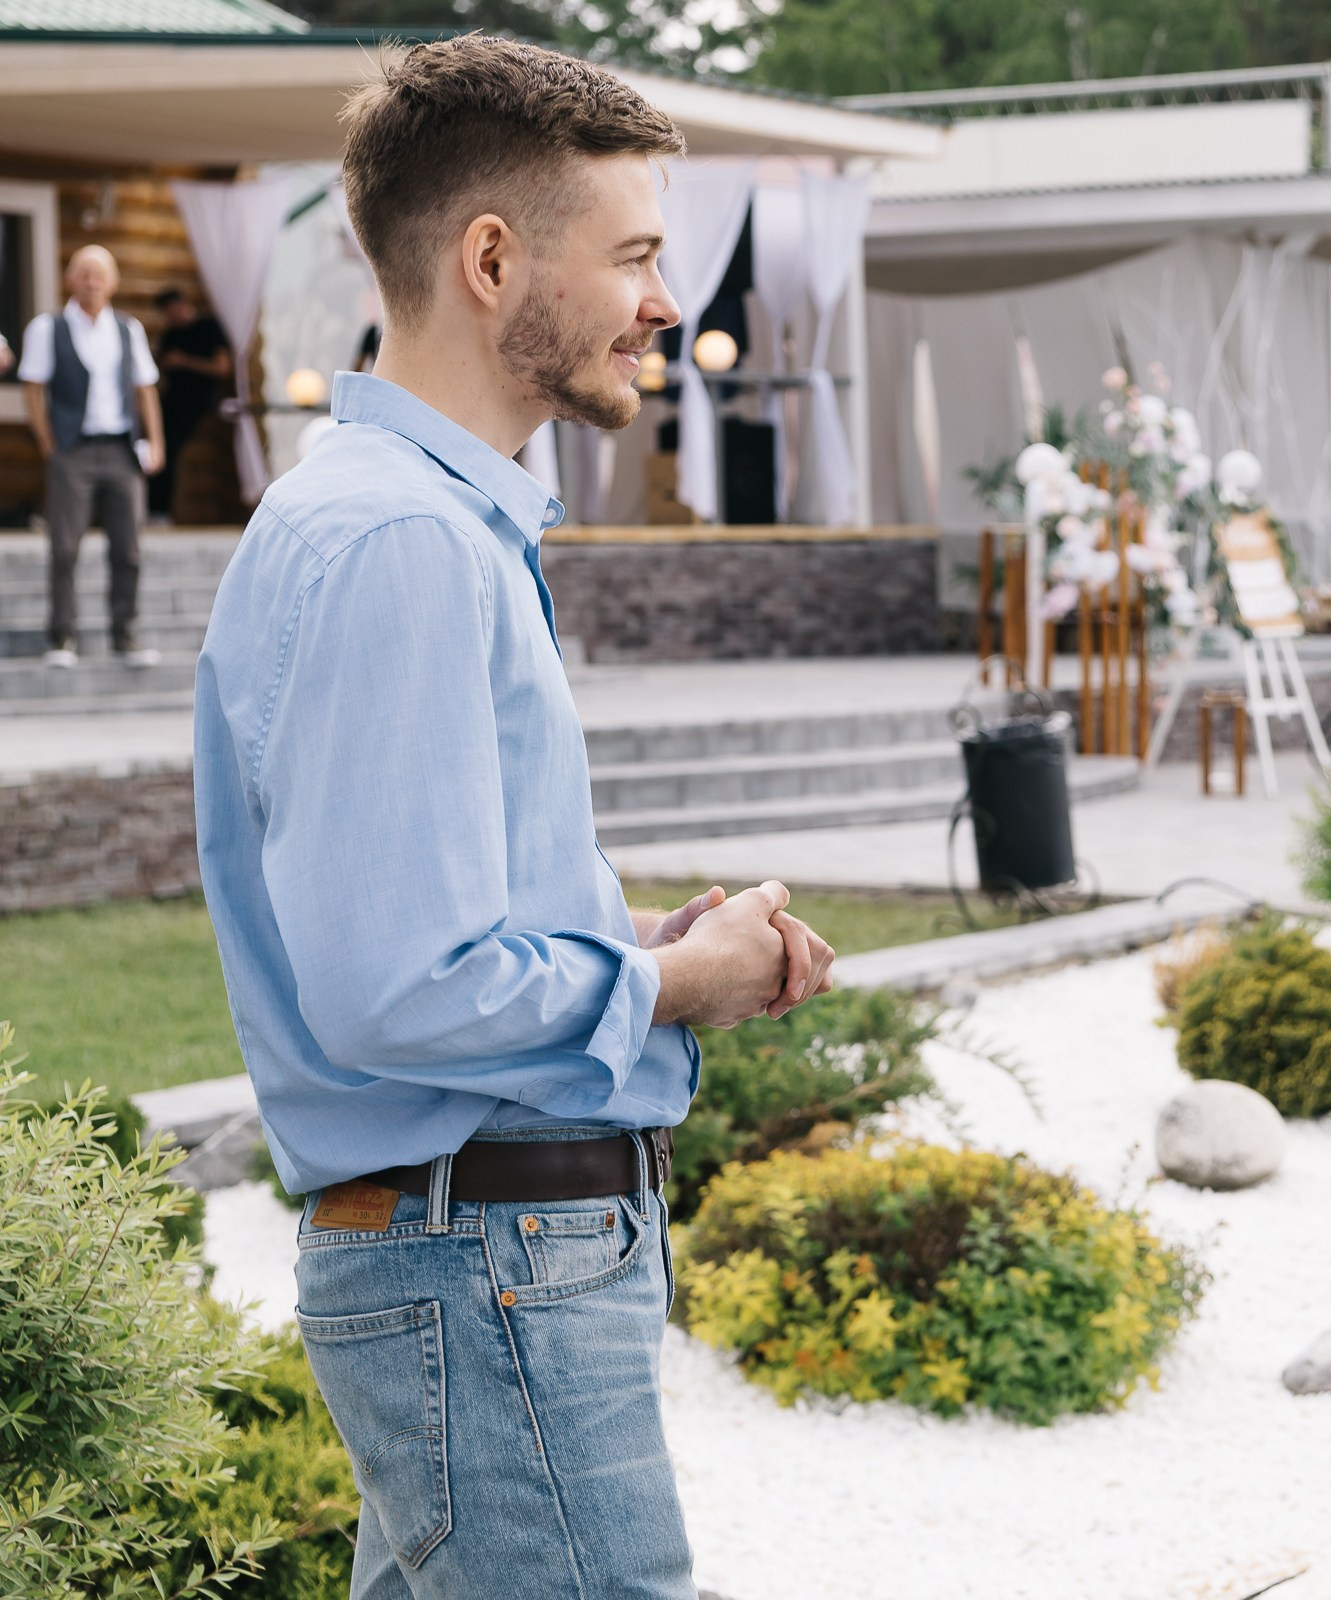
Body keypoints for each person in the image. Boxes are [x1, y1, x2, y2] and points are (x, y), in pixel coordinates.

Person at [193, 37, 833, 1600]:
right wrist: (672, 985)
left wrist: (637, 938)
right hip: (484, 1261)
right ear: (492, 262)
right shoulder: (400, 542)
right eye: (635, 255)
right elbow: (401, 988)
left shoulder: (403, 518)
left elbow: (426, 920)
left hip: (476, 1259)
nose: (663, 302)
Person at [22, 244, 165, 668]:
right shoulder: (47, 328)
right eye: (84, 273)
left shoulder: (128, 328)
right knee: (65, 547)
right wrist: (49, 444)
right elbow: (32, 390)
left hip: (122, 449)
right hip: (73, 449)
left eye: (100, 274)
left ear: (113, 282)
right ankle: (62, 637)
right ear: (69, 279)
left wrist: (156, 442)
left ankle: (125, 633)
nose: (92, 281)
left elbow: (145, 389)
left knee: (129, 548)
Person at [151, 285, 232, 521]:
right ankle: (155, 508)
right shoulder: (171, 335)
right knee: (158, 448)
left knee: (170, 448)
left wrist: (185, 361)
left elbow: (222, 368)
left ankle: (160, 511)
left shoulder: (209, 327)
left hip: (197, 402)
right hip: (171, 401)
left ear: (181, 305)